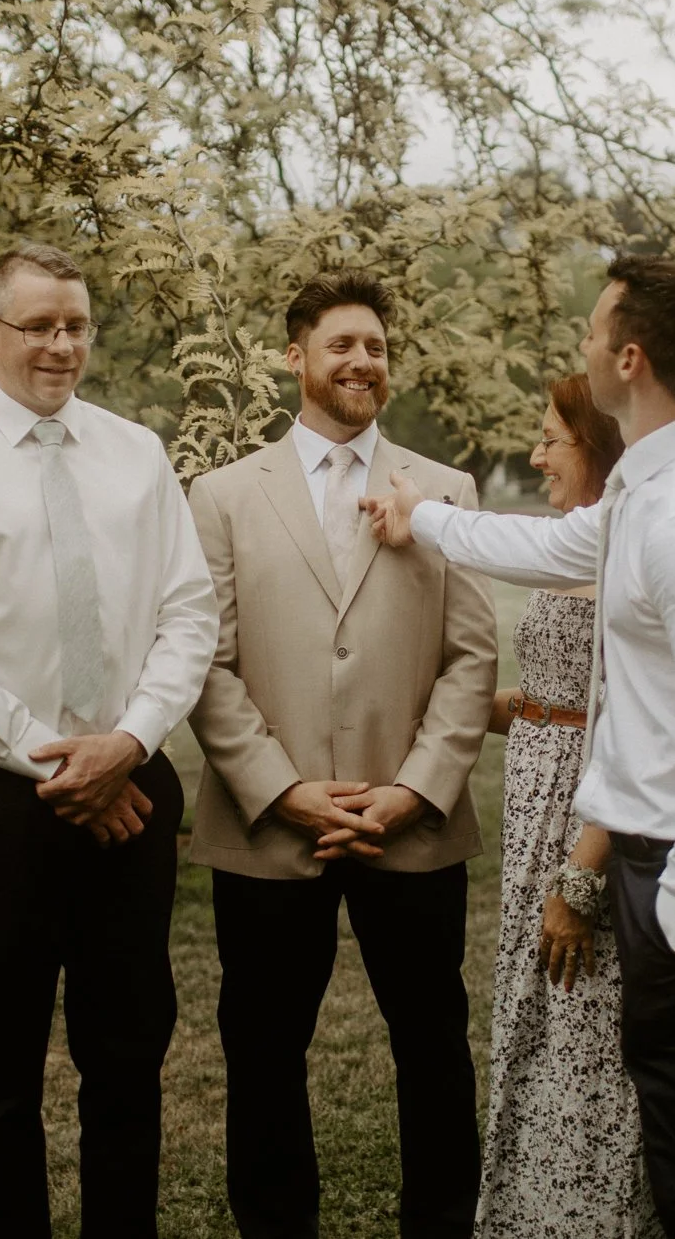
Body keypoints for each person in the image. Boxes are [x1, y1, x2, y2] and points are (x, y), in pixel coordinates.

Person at [363, 256, 675, 1239]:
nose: (584, 346)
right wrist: (421, 518)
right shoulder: (651, 481)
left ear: (629, 358)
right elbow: (553, 548)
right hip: (659, 860)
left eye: (592, 331)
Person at [0, 243, 218, 1238]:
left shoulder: (136, 452)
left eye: (77, 325)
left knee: (128, 1053)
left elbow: (189, 614)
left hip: (132, 787)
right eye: (40, 326)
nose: (62, 345)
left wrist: (130, 741)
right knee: (1, 1064)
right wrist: (57, 759)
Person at [187, 270, 498, 1239]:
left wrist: (416, 788)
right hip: (269, 830)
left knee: (433, 1045)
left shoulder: (444, 492)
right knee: (263, 1053)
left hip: (409, 825)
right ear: (296, 358)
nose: (362, 361)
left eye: (376, 347)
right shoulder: (222, 495)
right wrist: (282, 790)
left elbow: (470, 657)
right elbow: (206, 663)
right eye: (342, 345)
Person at [474, 374, 659, 1239]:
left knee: (584, 1020)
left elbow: (633, 723)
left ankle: (593, 1218)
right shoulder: (570, 547)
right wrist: (456, 705)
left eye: (552, 437)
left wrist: (582, 876)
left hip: (587, 821)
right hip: (533, 808)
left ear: (598, 446)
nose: (536, 453)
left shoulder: (626, 561)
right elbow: (555, 695)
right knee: (538, 1017)